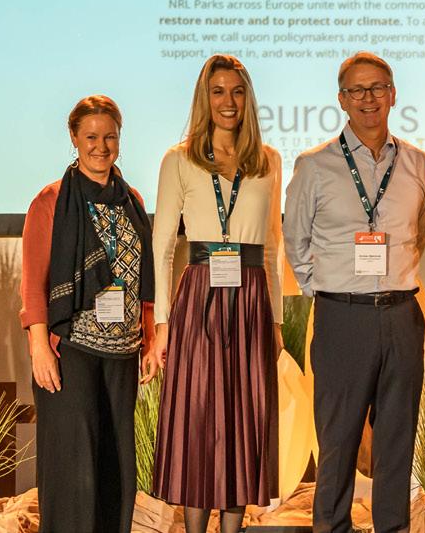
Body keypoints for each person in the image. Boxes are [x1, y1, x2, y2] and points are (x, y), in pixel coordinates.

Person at [285, 51, 425, 533]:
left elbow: (419, 233)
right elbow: (296, 240)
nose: (368, 98)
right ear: (342, 100)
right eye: (357, 90)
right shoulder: (314, 165)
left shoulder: (418, 163)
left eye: (377, 88)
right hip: (341, 318)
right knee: (338, 443)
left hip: (401, 314)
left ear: (393, 95)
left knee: (397, 444)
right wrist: (328, 293)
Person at [149, 54, 284, 533]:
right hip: (199, 298)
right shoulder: (179, 159)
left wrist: (276, 322)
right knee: (199, 419)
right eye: (219, 91)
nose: (229, 102)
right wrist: (162, 324)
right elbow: (163, 244)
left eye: (238, 91)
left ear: (249, 98)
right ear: (204, 99)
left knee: (244, 420)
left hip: (251, 300)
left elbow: (273, 247)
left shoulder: (268, 161)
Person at [19, 95, 155, 533]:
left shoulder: (132, 200)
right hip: (70, 352)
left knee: (115, 468)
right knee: (73, 471)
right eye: (91, 137)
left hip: (122, 354)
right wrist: (39, 346)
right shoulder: (51, 200)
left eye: (109, 137)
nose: (101, 146)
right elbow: (34, 282)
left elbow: (143, 282)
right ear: (74, 138)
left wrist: (150, 339)